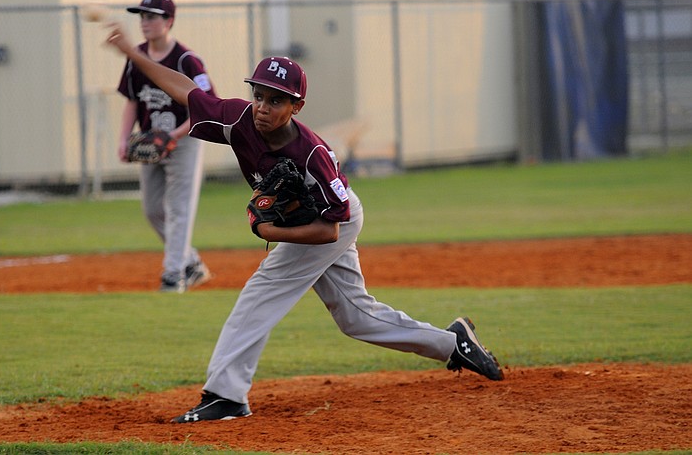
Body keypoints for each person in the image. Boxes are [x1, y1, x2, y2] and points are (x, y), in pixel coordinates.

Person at [106, 22, 504, 423]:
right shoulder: (238, 119)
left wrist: (267, 231)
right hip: (313, 221)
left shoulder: (312, 155)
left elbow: (331, 228)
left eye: (277, 100)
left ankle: (226, 395)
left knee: (262, 291)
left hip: (334, 218)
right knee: (356, 317)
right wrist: (134, 55)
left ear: (296, 106)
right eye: (258, 95)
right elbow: (185, 89)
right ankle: (452, 343)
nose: (263, 106)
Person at [116, 0, 213, 293]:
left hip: (184, 140)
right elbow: (132, 101)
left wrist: (173, 136)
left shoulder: (187, 60)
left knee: (179, 208)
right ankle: (190, 263)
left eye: (152, 16)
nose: (145, 22)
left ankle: (173, 276)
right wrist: (123, 138)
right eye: (142, 17)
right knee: (153, 210)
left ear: (169, 21)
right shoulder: (137, 59)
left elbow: (205, 106)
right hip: (150, 142)